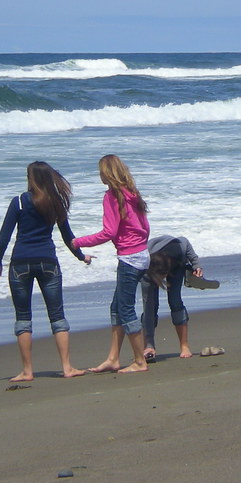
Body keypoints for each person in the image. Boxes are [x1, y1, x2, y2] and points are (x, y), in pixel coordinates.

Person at [0, 161, 94, 382]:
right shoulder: (54, 202)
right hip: (48, 262)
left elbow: (4, 236)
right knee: (57, 316)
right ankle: (67, 368)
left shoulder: (19, 202)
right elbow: (69, 236)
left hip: (21, 263)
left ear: (31, 178)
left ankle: (27, 371)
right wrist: (80, 256)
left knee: (23, 318)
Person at [72, 154, 152, 374]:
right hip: (142, 255)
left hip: (129, 258)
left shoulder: (112, 196)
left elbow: (109, 232)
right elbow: (145, 227)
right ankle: (113, 358)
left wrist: (78, 242)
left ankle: (139, 361)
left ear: (106, 174)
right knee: (116, 307)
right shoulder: (132, 193)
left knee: (126, 310)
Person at [141, 235, 218, 361]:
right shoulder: (144, 260)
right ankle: (149, 347)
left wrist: (196, 264)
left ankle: (184, 346)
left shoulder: (179, 249)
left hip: (176, 264)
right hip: (149, 266)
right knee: (150, 306)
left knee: (175, 300)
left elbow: (185, 241)